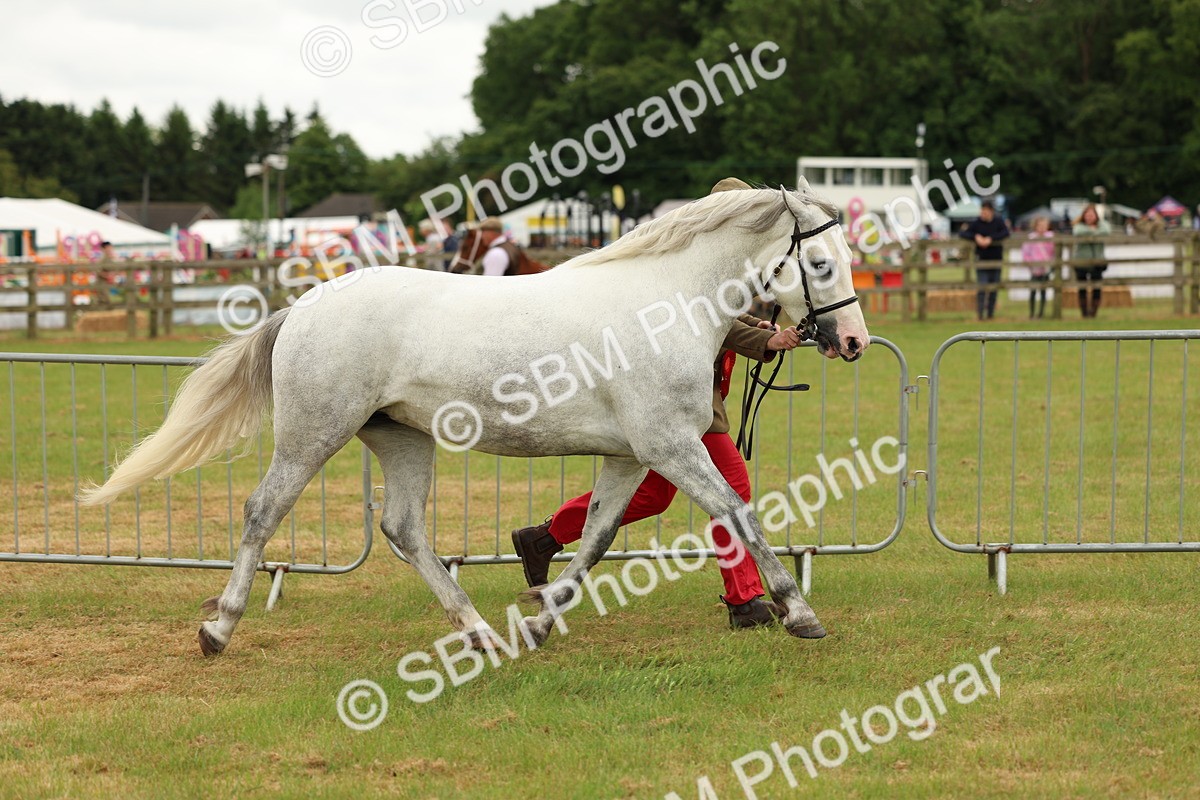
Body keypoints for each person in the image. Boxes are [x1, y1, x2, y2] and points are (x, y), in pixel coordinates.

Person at [510, 177, 804, 630]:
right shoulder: (690, 257)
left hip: (683, 402)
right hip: (674, 400)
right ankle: (744, 599)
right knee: (733, 492)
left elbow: (723, 315)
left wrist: (771, 337)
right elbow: (705, 317)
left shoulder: (716, 260)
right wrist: (765, 339)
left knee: (652, 494)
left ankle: (546, 537)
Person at [958, 200, 1010, 320]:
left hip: (996, 260)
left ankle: (990, 314)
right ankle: (980, 314)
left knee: (993, 288)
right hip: (981, 260)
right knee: (982, 287)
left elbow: (1006, 233)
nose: (983, 213)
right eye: (982, 211)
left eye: (986, 211)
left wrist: (990, 239)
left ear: (991, 211)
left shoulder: (998, 221)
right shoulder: (976, 223)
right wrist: (976, 237)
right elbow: (963, 233)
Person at [1072, 203, 1110, 318]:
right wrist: (1094, 231)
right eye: (1087, 215)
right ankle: (1084, 313)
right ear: (1084, 216)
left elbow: (1107, 230)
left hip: (1097, 261)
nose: (1089, 217)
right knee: (1082, 288)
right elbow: (1078, 231)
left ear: (1096, 216)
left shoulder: (1102, 225)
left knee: (1097, 287)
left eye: (1092, 215)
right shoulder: (1079, 225)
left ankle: (1093, 313)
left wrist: (1091, 231)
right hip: (1081, 261)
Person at [1020, 217, 1054, 319]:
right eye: (1040, 226)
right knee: (1033, 291)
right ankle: (1032, 313)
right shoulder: (1031, 238)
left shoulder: (1051, 238)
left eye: (1044, 226)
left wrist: (1050, 264)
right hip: (1034, 269)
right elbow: (1026, 253)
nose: (1042, 228)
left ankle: (1041, 313)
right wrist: (1030, 264)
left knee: (1043, 291)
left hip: (1046, 268)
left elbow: (1054, 252)